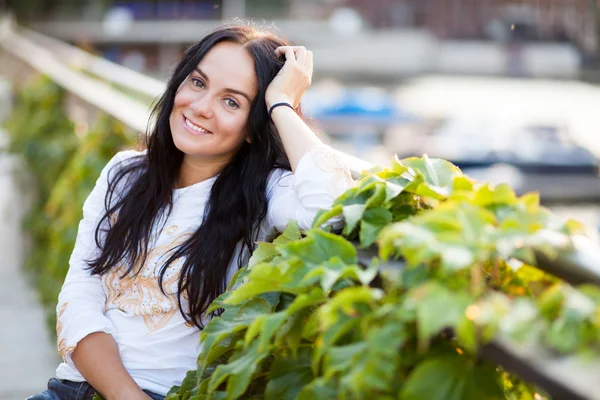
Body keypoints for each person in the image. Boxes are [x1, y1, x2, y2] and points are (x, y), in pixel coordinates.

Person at [29, 23, 354, 400]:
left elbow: (337, 212)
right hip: (73, 389)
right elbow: (78, 296)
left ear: (253, 126)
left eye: (231, 101)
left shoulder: (267, 193)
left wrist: (281, 103)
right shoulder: (124, 174)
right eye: (198, 83)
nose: (200, 108)